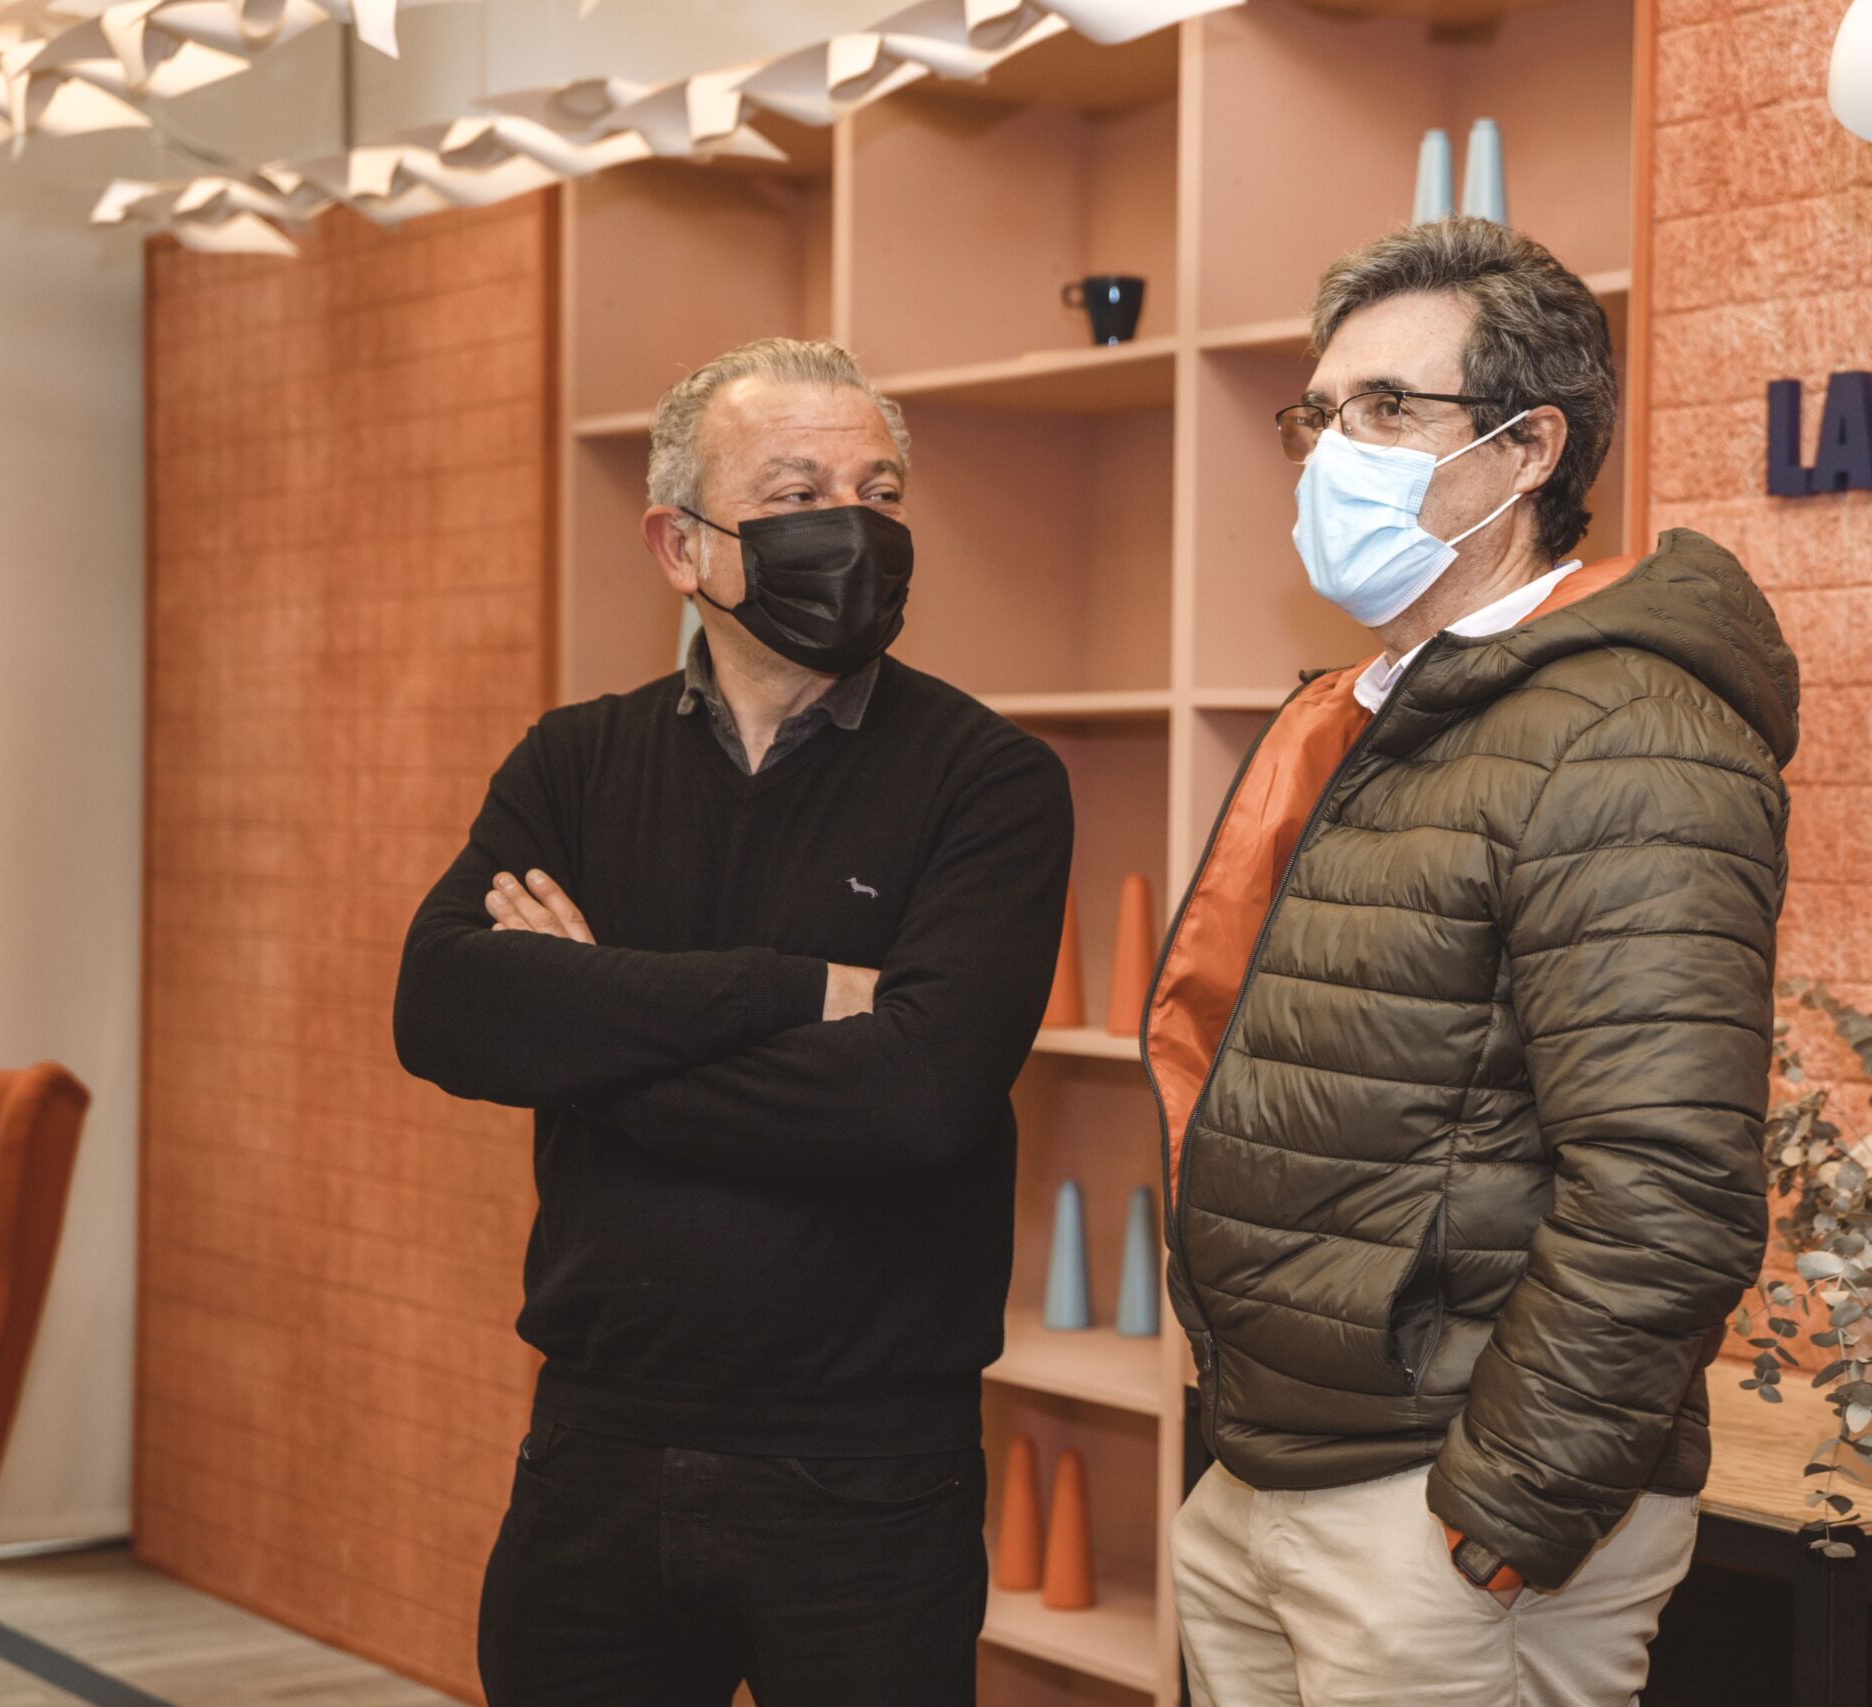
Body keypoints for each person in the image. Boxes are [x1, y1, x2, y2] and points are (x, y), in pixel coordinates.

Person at [1145, 218, 1799, 1705]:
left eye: (1388, 408)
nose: (1333, 452)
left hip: (1442, 1513)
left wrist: (1504, 1517)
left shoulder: (1625, 729)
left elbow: (1668, 1183)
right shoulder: (1375, 708)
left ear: (1527, 450)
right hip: (1272, 1470)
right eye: (1321, 413)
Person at [391, 337, 1073, 1706]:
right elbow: (446, 1009)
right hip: (594, 1450)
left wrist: (590, 1041)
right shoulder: (573, 762)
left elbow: (916, 1098)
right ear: (680, 546)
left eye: (880, 493)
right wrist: (793, 992)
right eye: (798, 494)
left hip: (869, 1478)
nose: (853, 527)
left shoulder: (992, 781)